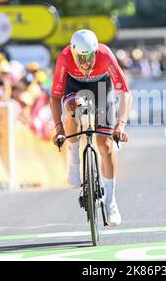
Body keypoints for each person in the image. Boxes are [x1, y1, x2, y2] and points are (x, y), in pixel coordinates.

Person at [50, 29, 132, 227]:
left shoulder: (105, 56)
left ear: (96, 52)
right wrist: (59, 129)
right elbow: (54, 97)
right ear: (73, 53)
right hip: (74, 88)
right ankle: (74, 159)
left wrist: (120, 125)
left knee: (106, 146)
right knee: (70, 108)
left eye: (89, 58)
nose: (86, 63)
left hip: (102, 89)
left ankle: (111, 202)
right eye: (81, 58)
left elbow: (125, 93)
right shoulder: (64, 57)